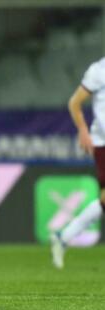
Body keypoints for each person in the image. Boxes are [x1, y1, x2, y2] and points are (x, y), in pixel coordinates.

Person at [51, 57, 105, 269]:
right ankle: (63, 237)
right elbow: (75, 102)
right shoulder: (99, 70)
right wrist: (83, 130)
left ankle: (63, 237)